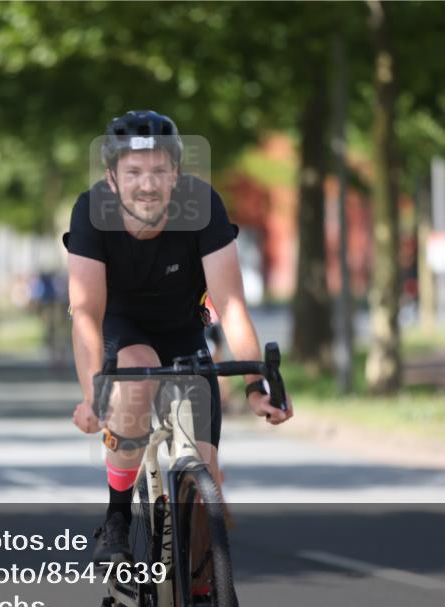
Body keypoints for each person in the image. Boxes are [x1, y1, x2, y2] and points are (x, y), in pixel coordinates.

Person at [64, 111, 293, 565]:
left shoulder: (202, 206)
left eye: (158, 171)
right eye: (133, 172)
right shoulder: (92, 212)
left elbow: (230, 307)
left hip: (184, 332)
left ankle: (202, 588)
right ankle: (117, 518)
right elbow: (86, 312)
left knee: (207, 483)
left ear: (176, 175)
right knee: (135, 368)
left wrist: (254, 386)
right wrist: (92, 395)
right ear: (111, 178)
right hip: (121, 329)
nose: (146, 184)